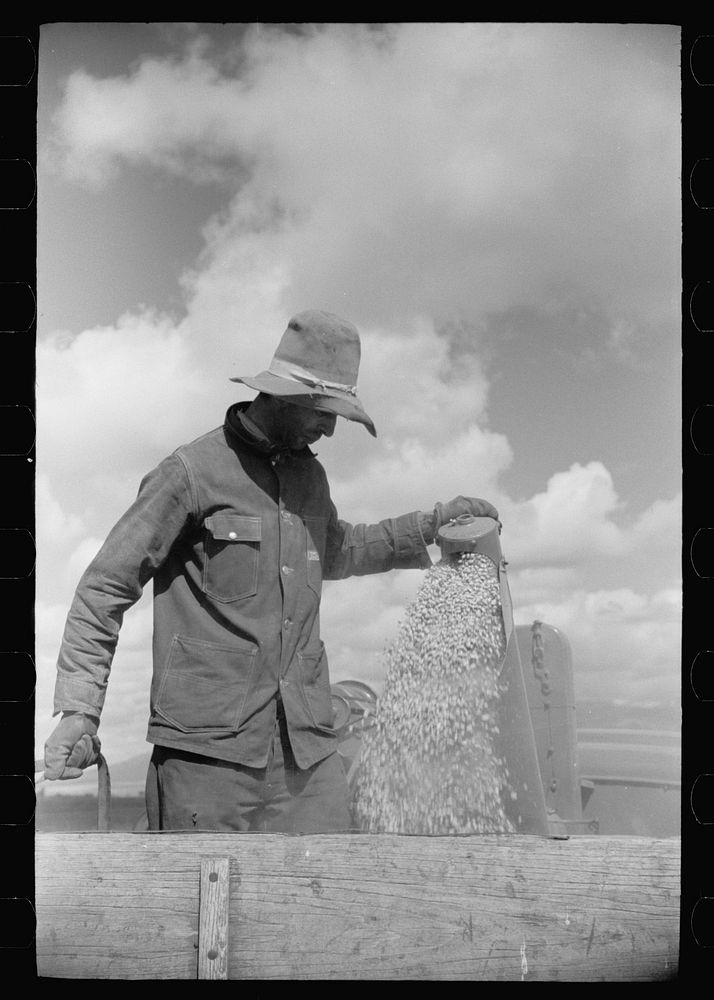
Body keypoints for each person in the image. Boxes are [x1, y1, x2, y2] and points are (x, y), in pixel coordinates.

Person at [43, 310, 500, 833]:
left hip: (306, 751)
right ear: (283, 397)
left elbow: (339, 549)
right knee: (201, 907)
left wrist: (430, 524)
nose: (330, 427)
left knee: (327, 896)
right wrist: (80, 710)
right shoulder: (191, 473)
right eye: (324, 412)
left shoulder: (311, 477)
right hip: (208, 757)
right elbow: (104, 587)